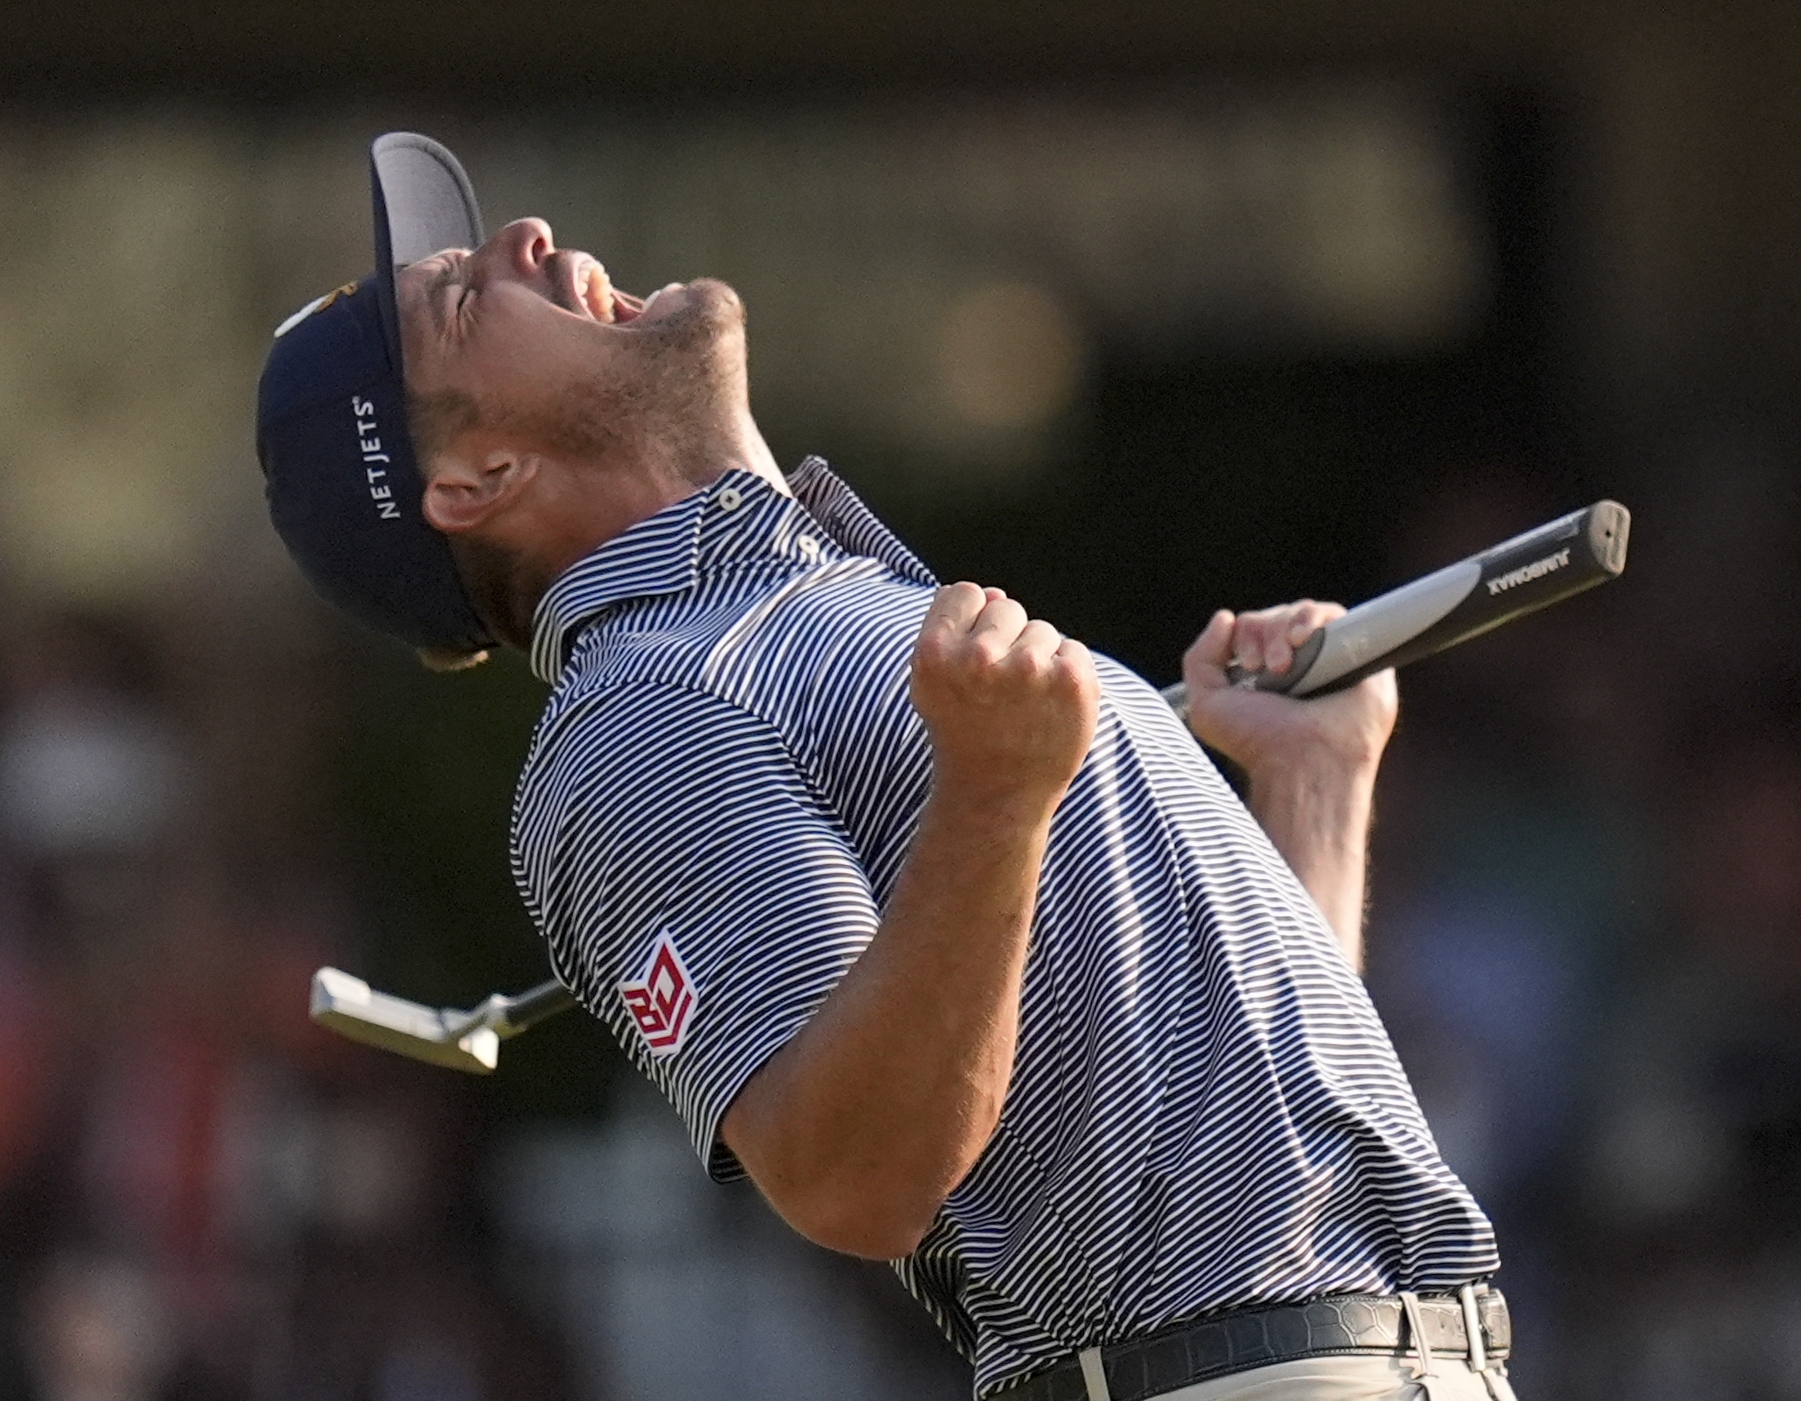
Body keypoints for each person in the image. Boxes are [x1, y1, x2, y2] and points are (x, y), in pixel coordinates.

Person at [256, 133, 1518, 1401]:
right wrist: (990, 799)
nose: (526, 240)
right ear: (480, 480)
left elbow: (1235, 1124)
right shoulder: (638, 716)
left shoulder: (837, 615)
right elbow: (849, 1180)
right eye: (468, 300)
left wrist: (1311, 784)